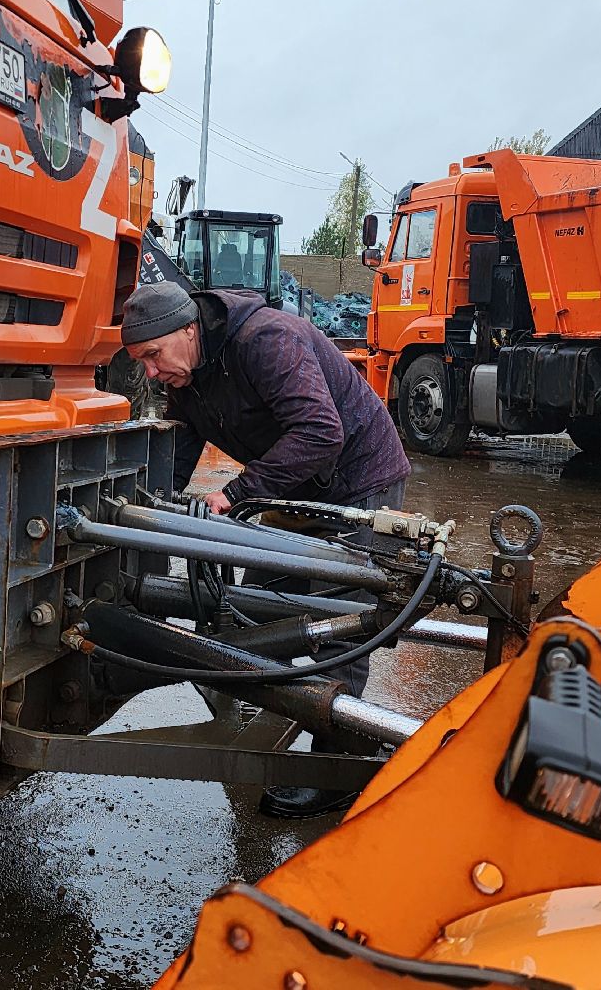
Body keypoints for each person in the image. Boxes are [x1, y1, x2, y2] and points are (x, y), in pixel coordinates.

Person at [121, 281, 411, 818]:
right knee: (259, 605)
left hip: (358, 483)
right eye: (142, 362)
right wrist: (147, 506)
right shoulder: (188, 376)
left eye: (153, 357)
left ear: (188, 330)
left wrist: (232, 494)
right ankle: (264, 706)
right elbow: (180, 454)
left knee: (337, 619)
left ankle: (337, 764)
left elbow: (322, 432)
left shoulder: (266, 339)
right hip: (296, 486)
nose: (151, 373)